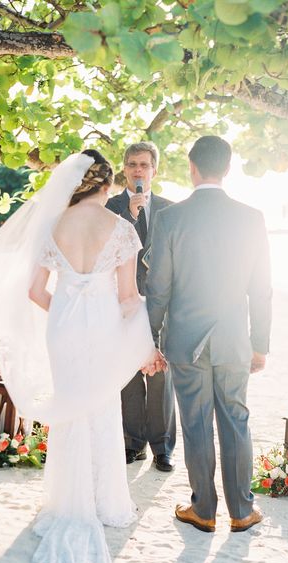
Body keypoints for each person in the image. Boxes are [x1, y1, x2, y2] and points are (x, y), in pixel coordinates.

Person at [0, 150, 163, 563]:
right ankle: (105, 504)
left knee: (70, 409)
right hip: (100, 329)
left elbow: (34, 290)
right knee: (101, 409)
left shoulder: (52, 226)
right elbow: (127, 300)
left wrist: (64, 309)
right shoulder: (120, 229)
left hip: (62, 332)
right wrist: (145, 346)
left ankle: (64, 501)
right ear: (106, 186)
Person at [145, 136, 272, 534]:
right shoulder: (252, 218)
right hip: (236, 341)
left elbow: (158, 289)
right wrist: (261, 344)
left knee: (197, 424)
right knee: (236, 420)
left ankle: (203, 509)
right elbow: (262, 289)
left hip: (186, 343)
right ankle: (242, 510)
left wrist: (148, 341)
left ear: (191, 167)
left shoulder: (169, 219)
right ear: (228, 168)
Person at [106, 142, 176, 472]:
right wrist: (129, 216)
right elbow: (106, 249)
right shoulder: (110, 207)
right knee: (130, 373)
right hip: (122, 301)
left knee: (161, 374)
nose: (138, 170)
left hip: (162, 303)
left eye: (144, 165)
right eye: (132, 164)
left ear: (154, 171)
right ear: (124, 169)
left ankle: (162, 448)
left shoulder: (171, 210)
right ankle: (132, 444)